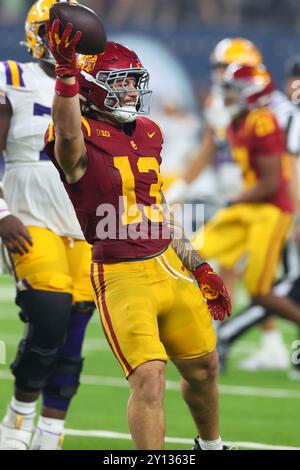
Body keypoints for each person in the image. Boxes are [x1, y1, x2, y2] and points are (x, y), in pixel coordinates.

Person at [44, 19, 231, 450]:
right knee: (149, 378)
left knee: (205, 367)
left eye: (134, 81)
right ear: (92, 86)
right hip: (121, 273)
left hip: (167, 263)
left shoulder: (148, 132)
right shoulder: (78, 135)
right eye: (120, 82)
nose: (131, 90)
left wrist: (198, 264)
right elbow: (69, 135)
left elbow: (158, 206)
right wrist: (66, 75)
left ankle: (213, 446)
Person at [0, 0, 94, 450]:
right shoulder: (12, 77)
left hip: (83, 217)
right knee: (50, 314)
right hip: (30, 209)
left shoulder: (93, 86)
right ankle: (18, 417)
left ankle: (52, 431)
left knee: (75, 328)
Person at [166, 38, 291, 369]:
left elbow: (282, 167)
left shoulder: (272, 109)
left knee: (260, 279)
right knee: (223, 266)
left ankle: (251, 340)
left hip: (269, 197)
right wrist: (181, 186)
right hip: (239, 194)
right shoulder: (221, 100)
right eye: (217, 68)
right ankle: (236, 340)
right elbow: (209, 146)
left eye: (225, 68)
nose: (219, 76)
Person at [193, 62, 300, 345]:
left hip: (270, 211)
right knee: (190, 255)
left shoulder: (261, 121)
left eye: (233, 90)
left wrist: (231, 199)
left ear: (251, 92)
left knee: (260, 291)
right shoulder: (237, 119)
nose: (226, 96)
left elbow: (271, 182)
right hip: (249, 207)